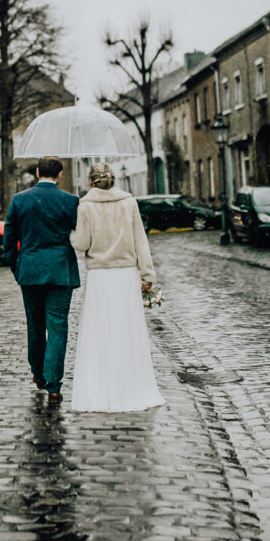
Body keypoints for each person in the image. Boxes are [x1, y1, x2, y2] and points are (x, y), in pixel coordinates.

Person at [69, 162, 164, 412]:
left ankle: (100, 388)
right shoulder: (129, 202)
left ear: (90, 182)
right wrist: (147, 275)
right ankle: (131, 386)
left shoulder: (86, 206)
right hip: (125, 275)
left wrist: (70, 234)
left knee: (100, 333)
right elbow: (140, 240)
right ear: (114, 179)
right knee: (127, 332)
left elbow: (81, 243)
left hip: (101, 276)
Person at [3, 157, 80, 407]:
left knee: (35, 325)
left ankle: (38, 373)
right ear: (59, 174)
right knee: (58, 327)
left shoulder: (19, 200)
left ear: (37, 172)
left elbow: (9, 240)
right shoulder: (70, 201)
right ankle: (54, 385)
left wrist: (17, 267)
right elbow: (79, 235)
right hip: (60, 271)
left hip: (31, 270)